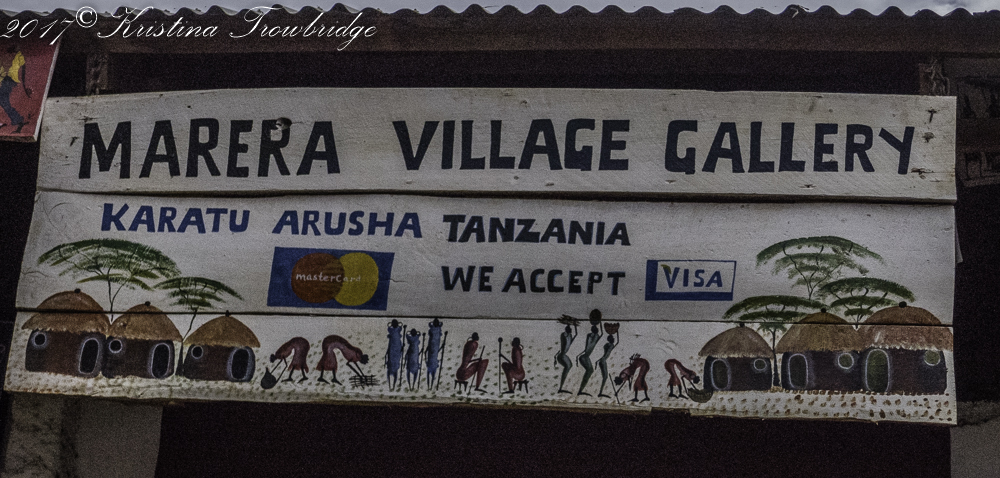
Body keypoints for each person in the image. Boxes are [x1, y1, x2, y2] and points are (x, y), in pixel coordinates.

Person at [0, 45, 31, 133]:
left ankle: (18, 119)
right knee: (3, 102)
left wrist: (24, 83)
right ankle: (17, 119)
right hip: (4, 80)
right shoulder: (6, 57)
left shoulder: (19, 56)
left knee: (3, 101)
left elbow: (23, 68)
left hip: (8, 80)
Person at [576, 325, 602, 396]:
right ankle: (580, 390)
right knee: (589, 371)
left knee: (589, 371)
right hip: (585, 357)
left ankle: (580, 390)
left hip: (584, 357)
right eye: (596, 329)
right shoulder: (594, 336)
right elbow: (598, 335)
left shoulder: (590, 336)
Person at [554, 323, 577, 393]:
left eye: (570, 329)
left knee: (569, 366)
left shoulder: (570, 336)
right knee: (568, 367)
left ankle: (561, 386)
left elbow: (575, 335)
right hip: (562, 355)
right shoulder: (564, 335)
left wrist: (575, 326)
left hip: (563, 355)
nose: (571, 330)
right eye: (569, 329)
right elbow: (564, 338)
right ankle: (561, 387)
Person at [597, 332, 619, 398]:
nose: (614, 339)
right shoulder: (611, 345)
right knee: (605, 377)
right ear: (610, 339)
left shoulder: (606, 345)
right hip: (603, 361)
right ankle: (600, 392)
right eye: (613, 338)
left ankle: (600, 392)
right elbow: (617, 342)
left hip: (602, 360)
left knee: (605, 377)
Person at [425, 318, 445, 389]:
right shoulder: (434, 328)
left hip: (435, 344)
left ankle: (430, 385)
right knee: (430, 370)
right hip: (433, 344)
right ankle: (429, 386)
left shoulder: (437, 328)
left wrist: (441, 347)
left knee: (434, 354)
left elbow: (432, 325)